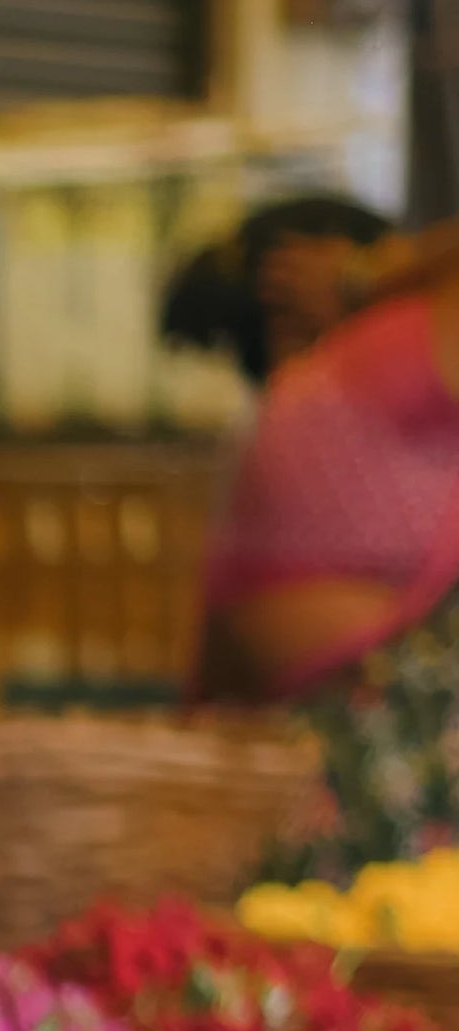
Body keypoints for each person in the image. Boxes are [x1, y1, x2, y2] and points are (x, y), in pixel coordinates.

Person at [170, 185, 459, 851]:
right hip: (353, 736)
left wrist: (375, 274)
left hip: (325, 732)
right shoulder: (386, 354)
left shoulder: (365, 360)